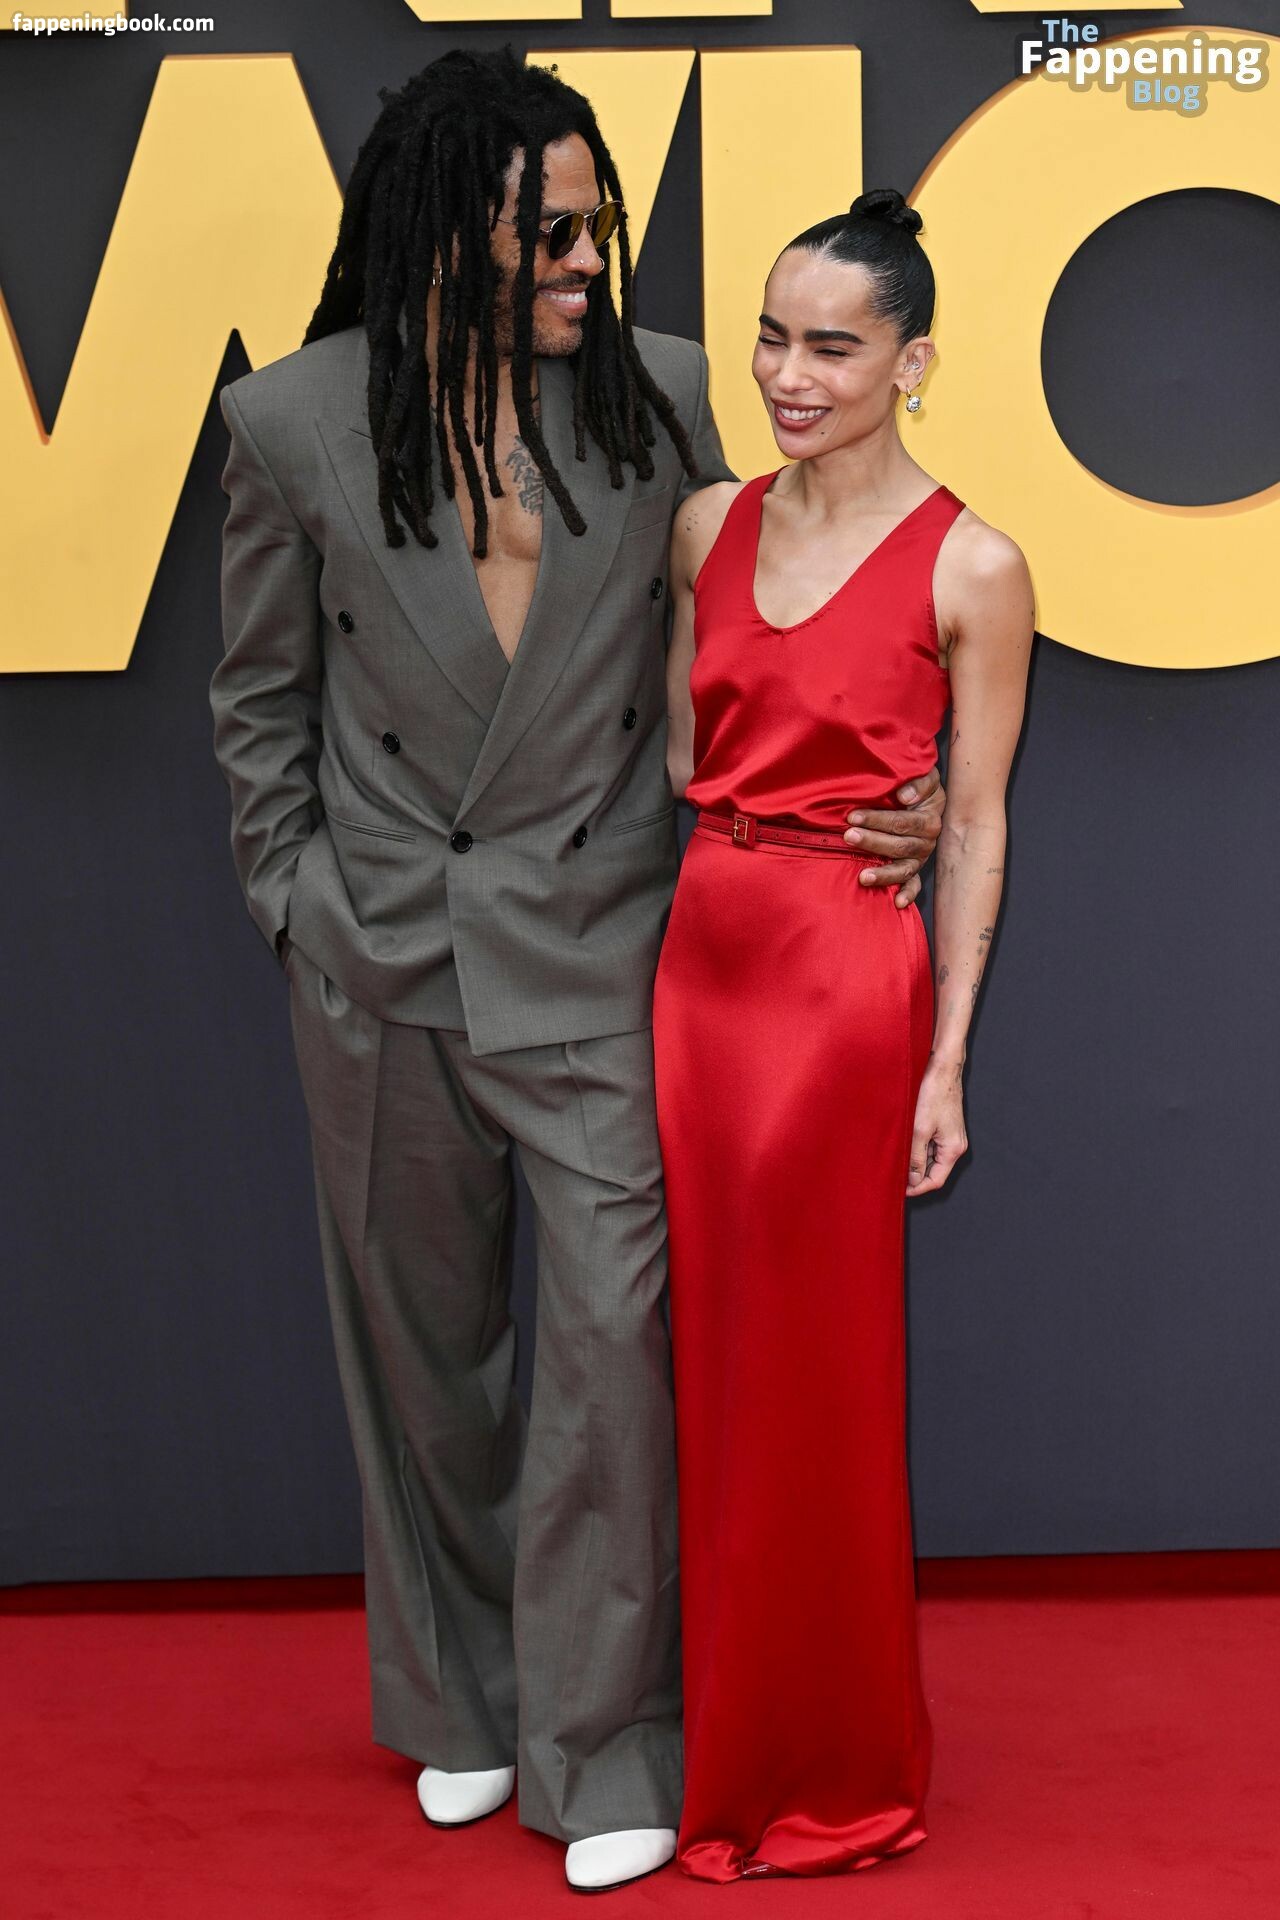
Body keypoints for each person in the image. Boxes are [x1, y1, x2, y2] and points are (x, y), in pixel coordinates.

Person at [210, 49, 946, 1893]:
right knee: (425, 1365)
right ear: (440, 230)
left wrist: (907, 787)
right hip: (384, 959)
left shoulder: (666, 394)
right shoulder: (293, 422)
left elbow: (796, 604)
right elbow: (258, 700)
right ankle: (463, 1699)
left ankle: (603, 1735)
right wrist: (298, 904)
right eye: (549, 232)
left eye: (595, 225)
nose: (585, 260)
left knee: (615, 1356)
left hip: (610, 947)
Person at [654, 188, 1035, 1881]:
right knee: (708, 1365)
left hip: (837, 987)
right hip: (699, 969)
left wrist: (946, 1058)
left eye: (832, 345)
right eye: (770, 337)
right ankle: (722, 1736)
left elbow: (981, 823)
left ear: (912, 361)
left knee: (814, 1382)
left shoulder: (974, 563)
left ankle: (827, 1770)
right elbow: (685, 756)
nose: (787, 375)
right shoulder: (705, 526)